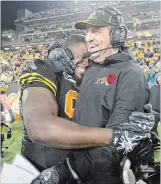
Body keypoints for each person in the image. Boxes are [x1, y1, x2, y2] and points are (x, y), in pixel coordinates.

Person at [31, 7, 154, 184]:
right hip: (78, 165)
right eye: (88, 32)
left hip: (102, 175)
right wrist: (53, 57)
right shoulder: (91, 69)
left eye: (96, 31)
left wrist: (69, 170)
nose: (89, 38)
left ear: (117, 35)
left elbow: (117, 142)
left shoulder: (131, 73)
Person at [19, 34, 145, 172]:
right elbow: (39, 127)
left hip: (81, 170)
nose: (87, 61)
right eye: (83, 56)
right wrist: (113, 136)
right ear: (64, 54)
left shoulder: (95, 80)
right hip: (41, 170)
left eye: (90, 57)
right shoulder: (46, 69)